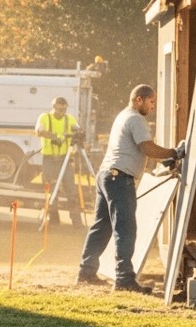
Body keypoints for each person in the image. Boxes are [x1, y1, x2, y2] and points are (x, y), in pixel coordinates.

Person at [76, 84, 180, 293]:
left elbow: (136, 150)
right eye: (151, 101)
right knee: (125, 229)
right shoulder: (136, 118)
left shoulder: (123, 116)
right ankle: (124, 279)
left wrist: (165, 159)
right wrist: (174, 153)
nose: (153, 106)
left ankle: (86, 272)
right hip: (119, 179)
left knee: (101, 226)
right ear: (139, 99)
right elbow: (147, 148)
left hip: (107, 175)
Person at [34, 96, 85, 226]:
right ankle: (53, 218)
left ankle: (76, 221)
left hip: (64, 159)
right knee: (50, 190)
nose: (62, 111)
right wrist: (54, 137)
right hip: (49, 160)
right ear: (54, 107)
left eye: (64, 109)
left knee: (71, 190)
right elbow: (39, 130)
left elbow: (77, 129)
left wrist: (79, 133)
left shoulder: (69, 119)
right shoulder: (45, 117)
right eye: (59, 109)